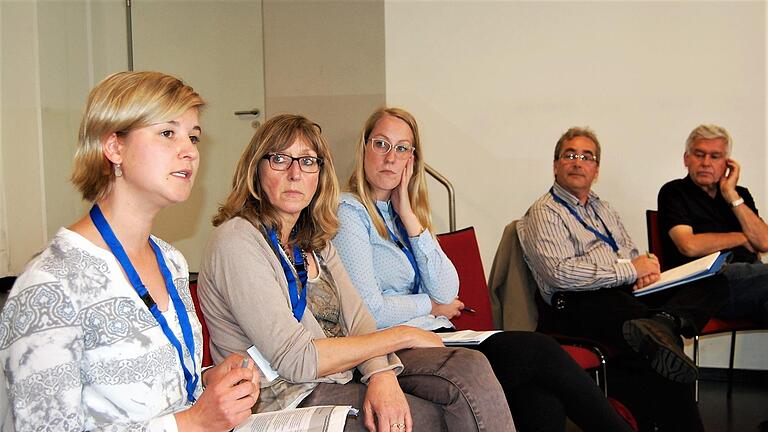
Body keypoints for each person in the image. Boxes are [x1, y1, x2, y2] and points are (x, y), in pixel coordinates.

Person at [197, 114, 515, 432]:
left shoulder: (315, 241)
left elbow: (360, 319)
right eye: (280, 159)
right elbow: (298, 361)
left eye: (307, 161)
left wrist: (381, 375)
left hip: (339, 377)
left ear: (320, 175)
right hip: (282, 399)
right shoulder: (237, 239)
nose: (295, 174)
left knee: (470, 366)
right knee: (435, 418)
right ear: (257, 168)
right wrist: (400, 335)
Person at [332, 107, 634, 432]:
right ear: (364, 148)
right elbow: (369, 312)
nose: (391, 157)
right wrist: (430, 306)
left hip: (439, 334)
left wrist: (407, 212)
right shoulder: (350, 212)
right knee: (540, 351)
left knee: (540, 396)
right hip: (398, 345)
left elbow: (448, 289)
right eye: (381, 144)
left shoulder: (402, 214)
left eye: (402, 148)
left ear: (412, 160)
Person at [0, 71, 259, 432]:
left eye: (193, 137)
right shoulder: (50, 286)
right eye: (167, 133)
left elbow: (149, 395)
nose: (190, 151)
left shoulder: (171, 261)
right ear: (114, 147)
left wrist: (209, 383)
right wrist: (191, 423)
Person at [516, 126, 735, 431]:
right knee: (661, 347)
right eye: (570, 155)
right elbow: (560, 274)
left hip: (620, 295)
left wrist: (647, 269)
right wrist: (631, 271)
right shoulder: (545, 212)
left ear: (596, 170)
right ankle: (662, 336)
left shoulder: (603, 208)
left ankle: (665, 322)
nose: (578, 162)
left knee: (713, 282)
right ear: (556, 165)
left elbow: (629, 252)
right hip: (575, 304)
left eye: (586, 156)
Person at [658, 124, 768, 323]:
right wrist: (742, 237)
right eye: (699, 155)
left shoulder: (740, 194)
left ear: (727, 164)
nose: (706, 163)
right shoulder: (673, 192)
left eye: (715, 156)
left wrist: (731, 195)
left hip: (751, 283)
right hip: (705, 284)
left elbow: (764, 242)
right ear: (687, 159)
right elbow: (689, 246)